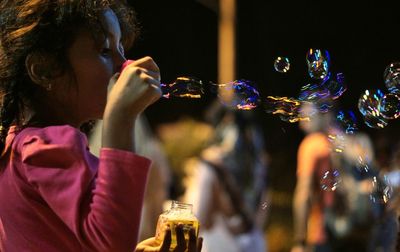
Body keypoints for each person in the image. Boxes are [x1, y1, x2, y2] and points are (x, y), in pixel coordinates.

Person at [0, 1, 201, 251]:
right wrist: (121, 118)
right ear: (45, 70)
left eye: (121, 49)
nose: (124, 64)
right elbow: (111, 244)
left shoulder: (21, 144)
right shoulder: (44, 146)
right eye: (105, 51)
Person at [182, 103, 269, 252]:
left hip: (220, 245)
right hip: (254, 244)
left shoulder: (210, 164)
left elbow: (201, 218)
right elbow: (263, 209)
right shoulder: (260, 161)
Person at [291, 104, 335, 252]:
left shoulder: (310, 145)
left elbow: (303, 194)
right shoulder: (333, 143)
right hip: (339, 227)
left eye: (306, 116)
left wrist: (299, 241)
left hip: (318, 231)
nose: (301, 122)